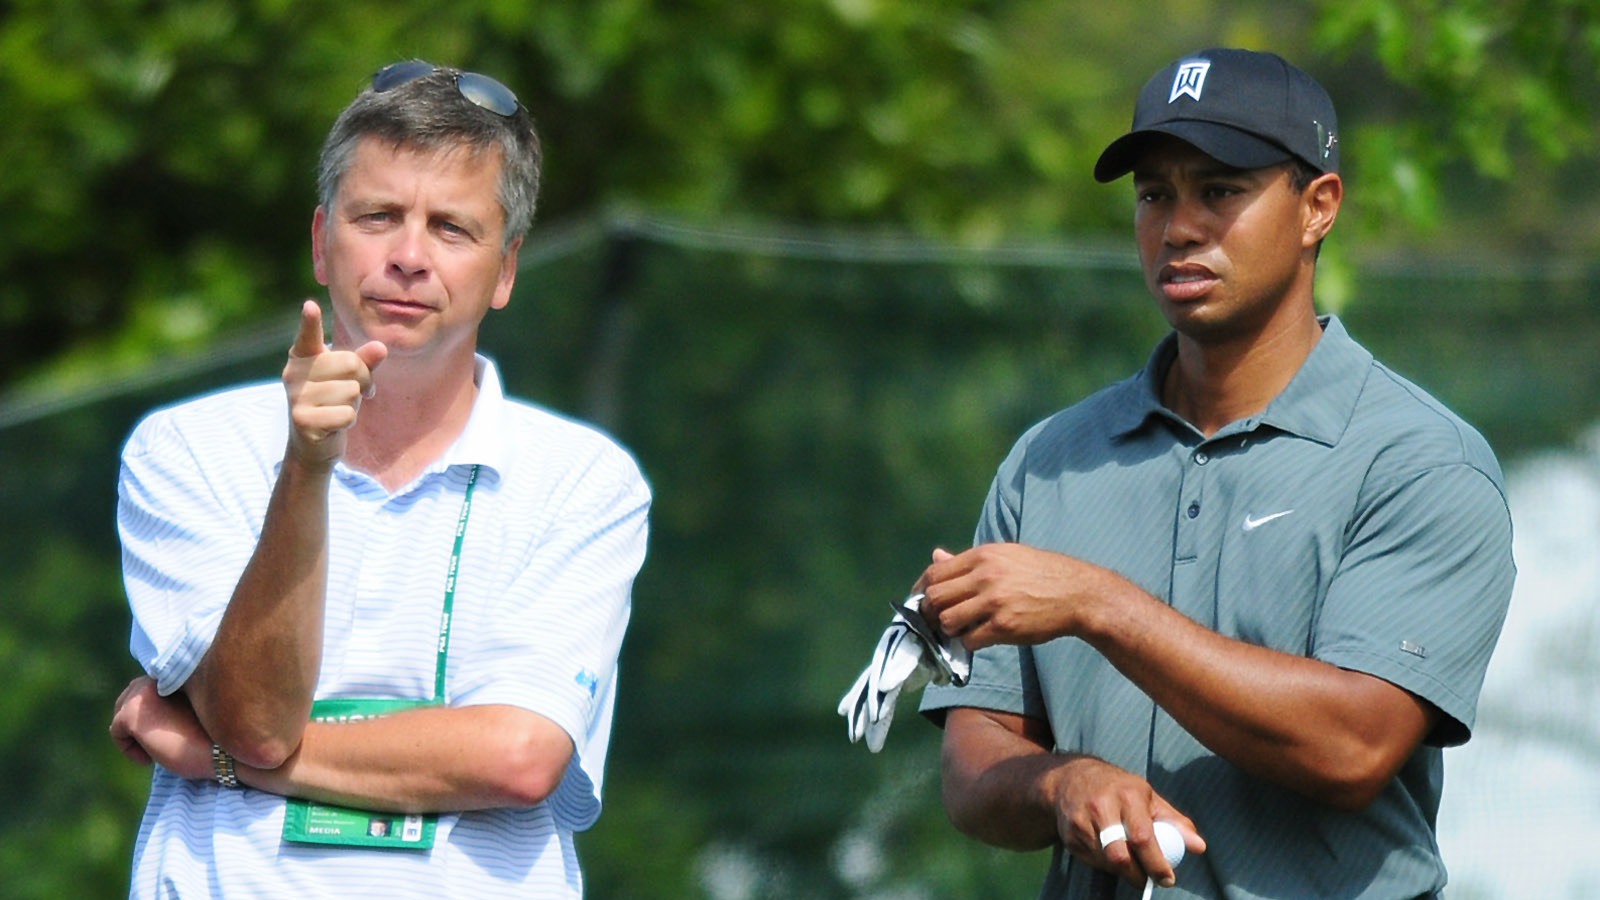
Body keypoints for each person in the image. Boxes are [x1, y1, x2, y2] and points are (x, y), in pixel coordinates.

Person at [916, 48, 1515, 900]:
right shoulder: (1048, 461)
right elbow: (974, 764)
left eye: (1220, 190)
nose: (1179, 225)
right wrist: (1060, 785)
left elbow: (1352, 749)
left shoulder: (1418, 461)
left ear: (1318, 207)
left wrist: (1099, 605)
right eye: (1155, 194)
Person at [108, 60, 651, 899]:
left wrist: (206, 752)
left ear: (505, 271)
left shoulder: (585, 480)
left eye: (451, 229)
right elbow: (256, 717)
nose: (408, 256)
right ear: (322, 241)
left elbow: (517, 759)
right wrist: (306, 464)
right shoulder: (186, 449)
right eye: (379, 216)